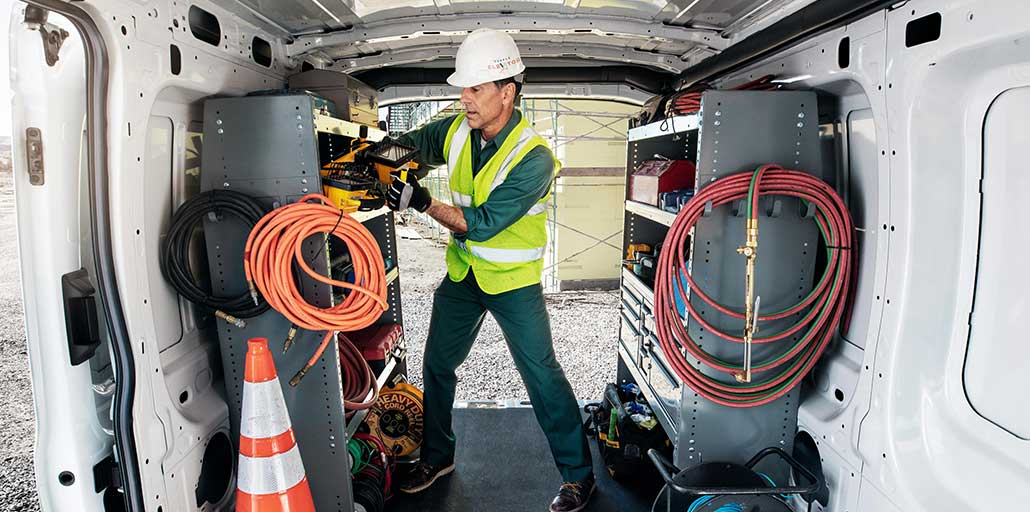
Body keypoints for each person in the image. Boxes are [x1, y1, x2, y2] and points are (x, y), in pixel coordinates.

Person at [383, 28, 595, 512]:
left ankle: (579, 478)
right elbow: (412, 144)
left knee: (541, 376)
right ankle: (439, 457)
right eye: (463, 88)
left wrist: (420, 201)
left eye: (476, 88)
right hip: (463, 276)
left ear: (508, 92)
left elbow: (481, 225)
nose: (465, 98)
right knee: (437, 364)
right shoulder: (457, 128)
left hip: (512, 283)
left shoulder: (534, 158)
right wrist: (383, 160)